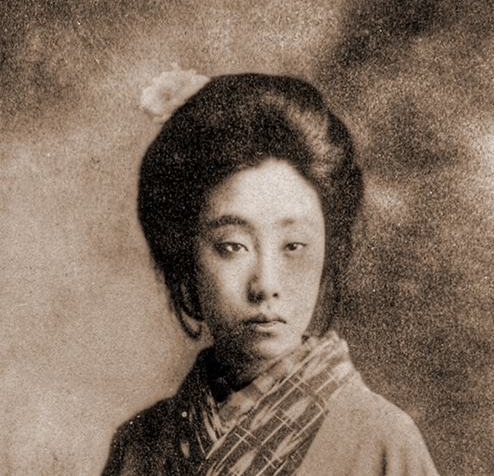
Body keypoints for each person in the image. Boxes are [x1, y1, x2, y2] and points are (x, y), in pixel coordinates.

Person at [101, 73, 439, 475]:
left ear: (327, 252)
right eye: (232, 246)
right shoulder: (141, 443)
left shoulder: (385, 441)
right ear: (186, 259)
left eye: (293, 246)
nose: (265, 285)